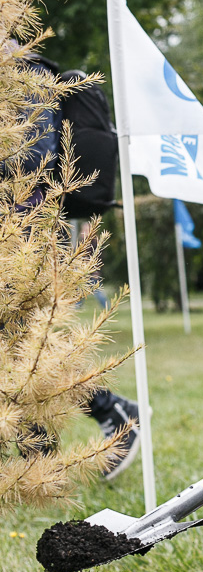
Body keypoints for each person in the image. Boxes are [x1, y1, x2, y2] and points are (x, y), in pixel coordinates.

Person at [6, 46, 140, 480]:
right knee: (15, 346)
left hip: (24, 234)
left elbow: (33, 158)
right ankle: (37, 450)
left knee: (24, 343)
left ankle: (110, 412)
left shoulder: (27, 73)